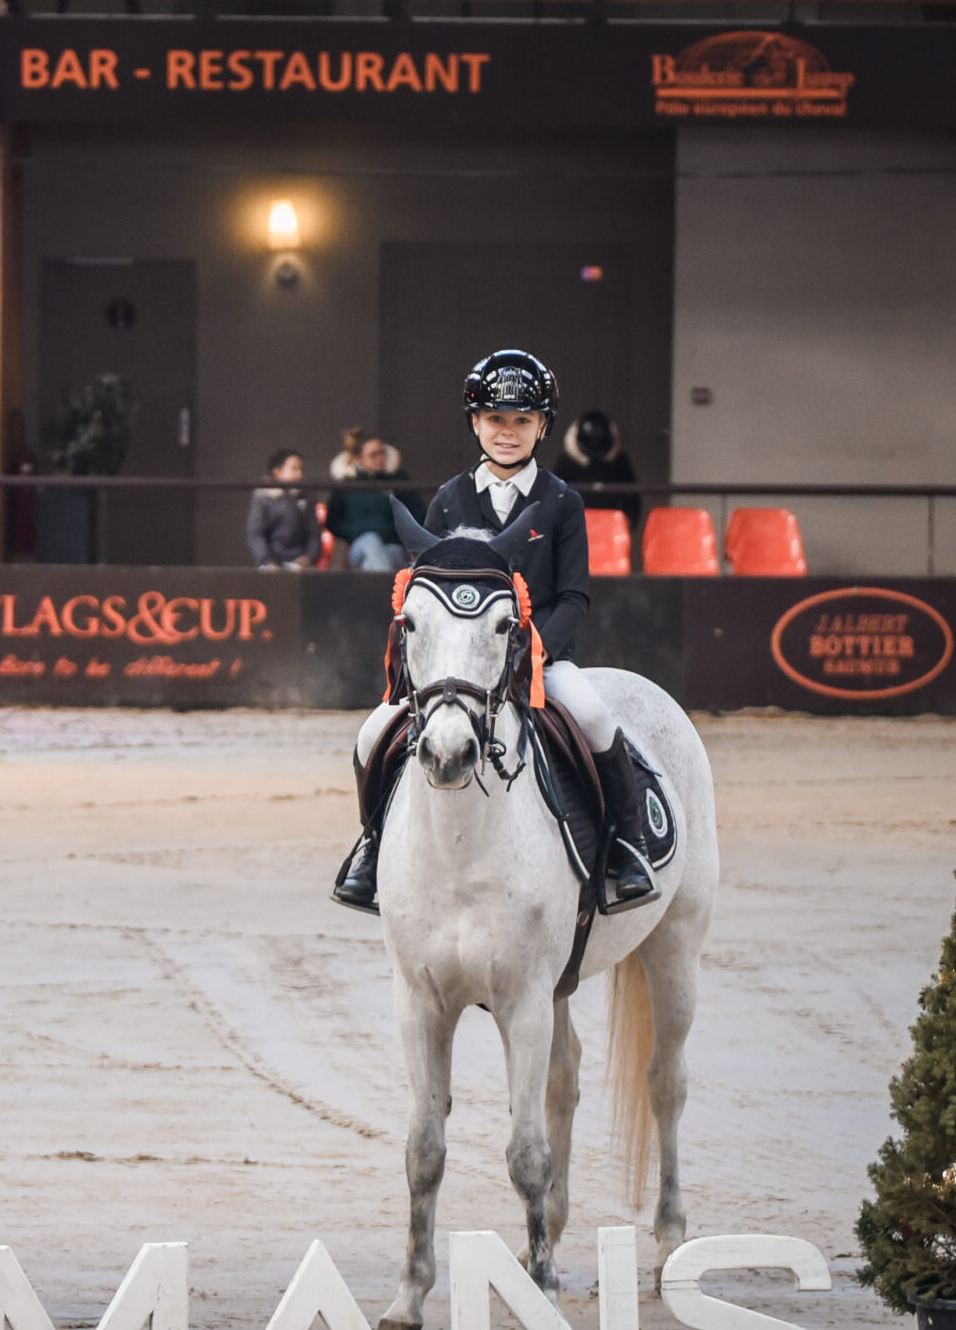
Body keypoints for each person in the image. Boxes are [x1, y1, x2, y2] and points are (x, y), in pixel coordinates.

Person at [331, 349, 657, 916]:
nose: (508, 433)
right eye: (496, 420)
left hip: (543, 662)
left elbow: (576, 595)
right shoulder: (449, 499)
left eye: (522, 422)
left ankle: (628, 847)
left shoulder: (562, 502)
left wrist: (536, 647)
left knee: (598, 718)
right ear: (475, 422)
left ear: (543, 427)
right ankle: (372, 845)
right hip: (459, 666)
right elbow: (423, 591)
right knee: (372, 734)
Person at [324, 429, 419, 571]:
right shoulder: (346, 484)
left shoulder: (398, 480)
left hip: (393, 546)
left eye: (382, 453)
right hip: (359, 547)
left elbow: (417, 513)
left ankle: (377, 590)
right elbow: (332, 521)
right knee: (371, 541)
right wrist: (354, 532)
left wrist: (397, 533)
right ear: (358, 458)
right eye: (373, 455)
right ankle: (387, 590)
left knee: (371, 564)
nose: (379, 458)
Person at [548, 409, 642, 529]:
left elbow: (633, 502)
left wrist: (626, 522)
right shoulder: (566, 462)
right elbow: (554, 501)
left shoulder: (620, 462)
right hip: (574, 530)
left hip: (610, 529)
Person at [247, 448, 322, 569]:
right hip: (272, 562)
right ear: (277, 472)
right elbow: (256, 534)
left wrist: (309, 557)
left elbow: (314, 532)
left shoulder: (307, 497)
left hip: (299, 561)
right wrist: (267, 561)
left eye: (301, 469)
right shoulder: (263, 496)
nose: (299, 474)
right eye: (294, 469)